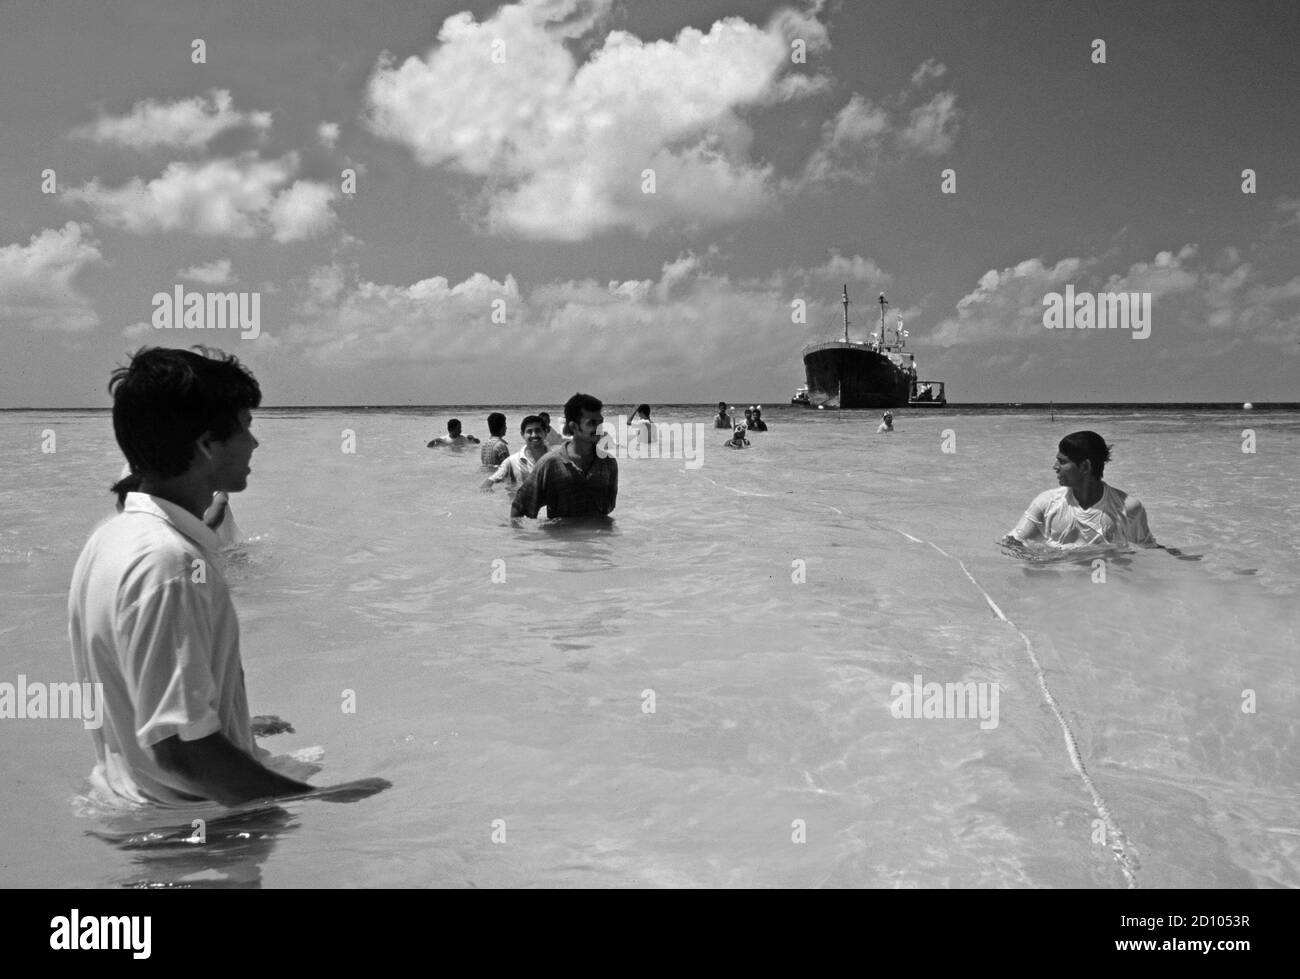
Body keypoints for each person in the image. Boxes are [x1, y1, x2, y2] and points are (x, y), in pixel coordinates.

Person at [70, 346, 388, 807]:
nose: (254, 444)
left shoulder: (111, 539)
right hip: (198, 834)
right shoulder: (170, 563)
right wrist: (317, 801)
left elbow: (144, 701)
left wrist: (232, 720)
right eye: (244, 428)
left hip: (136, 811)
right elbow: (182, 751)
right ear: (205, 445)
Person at [1003, 431, 1158, 548]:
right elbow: (1011, 543)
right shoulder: (1046, 502)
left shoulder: (1128, 508)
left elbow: (1149, 550)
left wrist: (1177, 557)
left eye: (1062, 462)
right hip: (1059, 587)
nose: (1055, 467)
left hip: (1108, 587)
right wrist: (1045, 560)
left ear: (1085, 466)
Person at [511, 393, 617, 520]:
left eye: (600, 422)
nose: (599, 428)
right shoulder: (550, 463)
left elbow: (609, 508)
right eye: (592, 423)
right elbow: (520, 506)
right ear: (574, 426)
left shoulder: (608, 463)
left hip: (601, 539)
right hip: (563, 539)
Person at [116, 465, 242, 545]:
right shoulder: (131, 468)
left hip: (224, 550)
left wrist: (194, 537)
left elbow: (219, 503)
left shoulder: (198, 462)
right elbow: (123, 505)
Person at [481, 415, 549, 492]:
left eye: (538, 430)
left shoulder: (557, 459)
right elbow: (488, 482)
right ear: (522, 435)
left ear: (546, 432)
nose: (534, 435)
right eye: (529, 431)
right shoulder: (512, 462)